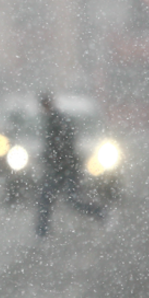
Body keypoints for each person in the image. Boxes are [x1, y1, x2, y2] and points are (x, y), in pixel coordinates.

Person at [36, 92, 103, 237]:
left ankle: (99, 213)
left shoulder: (58, 121)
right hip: (62, 168)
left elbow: (64, 146)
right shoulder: (53, 120)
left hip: (65, 168)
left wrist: (56, 160)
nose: (43, 108)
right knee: (50, 199)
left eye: (45, 105)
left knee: (69, 200)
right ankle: (41, 231)